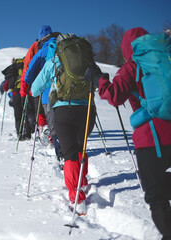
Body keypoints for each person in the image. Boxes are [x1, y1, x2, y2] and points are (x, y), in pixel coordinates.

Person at [85, 27, 171, 239]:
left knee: (155, 196)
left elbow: (114, 96)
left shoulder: (132, 66)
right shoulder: (165, 60)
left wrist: (99, 79)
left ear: (127, 49)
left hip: (151, 139)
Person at [32, 33, 96, 211]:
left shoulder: (53, 62)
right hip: (88, 110)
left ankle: (76, 196)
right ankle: (82, 182)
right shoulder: (87, 59)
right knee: (80, 148)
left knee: (69, 153)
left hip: (64, 111)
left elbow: (35, 88)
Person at [1, 58, 25, 137]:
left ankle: (20, 133)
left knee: (18, 115)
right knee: (26, 112)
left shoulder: (12, 70)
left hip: (15, 94)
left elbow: (5, 87)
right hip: (25, 92)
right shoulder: (25, 66)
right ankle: (28, 133)